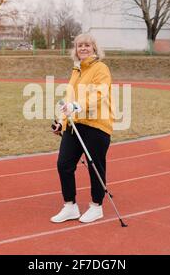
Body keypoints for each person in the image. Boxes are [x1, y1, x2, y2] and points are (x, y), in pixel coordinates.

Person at [51, 33, 114, 224]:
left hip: (97, 125)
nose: (83, 48)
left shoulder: (100, 68)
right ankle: (70, 206)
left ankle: (96, 206)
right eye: (79, 46)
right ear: (75, 50)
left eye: (87, 45)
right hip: (75, 125)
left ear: (94, 48)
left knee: (95, 166)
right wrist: (61, 122)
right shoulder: (76, 70)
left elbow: (99, 95)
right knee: (64, 164)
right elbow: (69, 100)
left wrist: (76, 106)